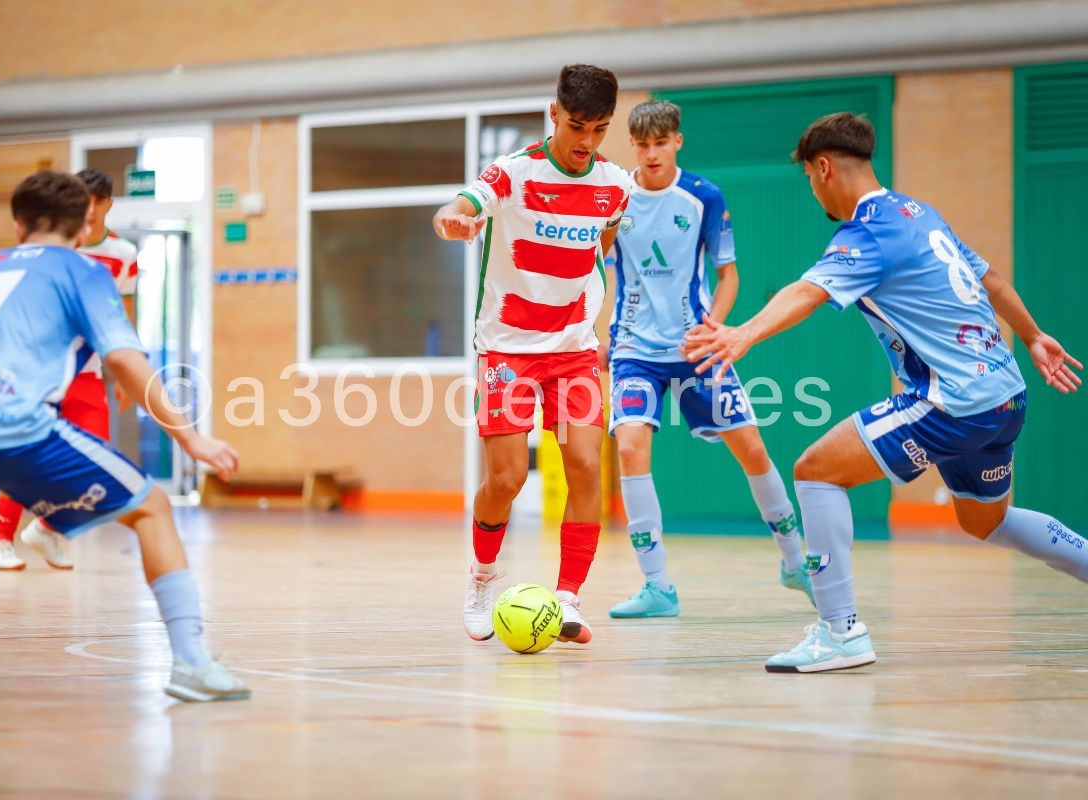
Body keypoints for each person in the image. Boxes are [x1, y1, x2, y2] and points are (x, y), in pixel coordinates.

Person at [683, 112, 1084, 673]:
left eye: (808, 177)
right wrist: (1034, 334)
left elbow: (808, 290)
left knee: (815, 470)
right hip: (1005, 395)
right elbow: (990, 279)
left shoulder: (868, 230)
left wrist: (743, 333)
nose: (812, 187)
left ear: (823, 168)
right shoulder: (918, 213)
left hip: (953, 401)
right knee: (985, 522)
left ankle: (840, 632)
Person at [0, 170, 249, 701]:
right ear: (83, 227)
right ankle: (192, 662)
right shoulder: (83, 269)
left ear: (17, 225)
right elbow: (124, 357)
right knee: (152, 505)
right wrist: (190, 439)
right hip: (11, 422)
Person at [433, 64, 633, 645]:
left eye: (599, 129)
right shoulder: (513, 173)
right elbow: (464, 204)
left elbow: (605, 238)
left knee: (588, 467)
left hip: (573, 350)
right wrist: (453, 219)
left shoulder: (615, 186)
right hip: (508, 349)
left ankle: (568, 598)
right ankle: (482, 576)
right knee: (508, 479)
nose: (586, 142)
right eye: (577, 126)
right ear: (554, 114)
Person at [605, 100, 815, 619]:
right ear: (632, 145)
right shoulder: (613, 197)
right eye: (642, 144)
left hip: (696, 348)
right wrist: (601, 328)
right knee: (630, 450)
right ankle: (657, 587)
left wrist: (715, 328)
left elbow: (729, 275)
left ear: (677, 141)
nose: (652, 153)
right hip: (634, 350)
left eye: (661, 142)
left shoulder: (704, 197)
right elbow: (599, 267)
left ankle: (794, 561)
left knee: (752, 450)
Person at [0, 168, 140, 571]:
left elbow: (122, 313)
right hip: (42, 370)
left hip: (88, 371)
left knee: (94, 460)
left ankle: (47, 529)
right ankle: (3, 542)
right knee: (27, 455)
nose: (88, 209)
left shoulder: (122, 255)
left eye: (95, 201)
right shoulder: (52, 248)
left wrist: (126, 371)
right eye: (81, 200)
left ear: (107, 204)